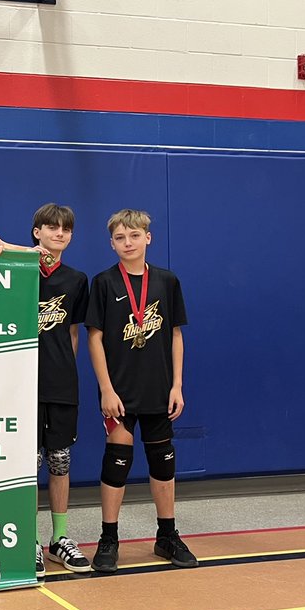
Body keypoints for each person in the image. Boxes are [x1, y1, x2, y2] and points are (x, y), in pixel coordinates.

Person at [84, 209, 195, 573]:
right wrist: (105, 389)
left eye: (134, 236)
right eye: (119, 238)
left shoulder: (166, 281)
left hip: (160, 388)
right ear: (111, 242)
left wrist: (177, 384)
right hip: (120, 391)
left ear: (148, 238)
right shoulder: (103, 283)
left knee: (164, 461)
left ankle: (167, 535)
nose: (127, 243)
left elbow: (176, 335)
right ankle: (109, 538)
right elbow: (95, 339)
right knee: (117, 461)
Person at [29, 204, 93, 579]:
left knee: (60, 461)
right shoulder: (16, 270)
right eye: (50, 228)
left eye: (65, 229)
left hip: (61, 384)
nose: (58, 234)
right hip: (23, 383)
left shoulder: (76, 279)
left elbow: (72, 332)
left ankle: (60, 538)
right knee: (27, 465)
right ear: (36, 232)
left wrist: (61, 369)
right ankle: (29, 539)